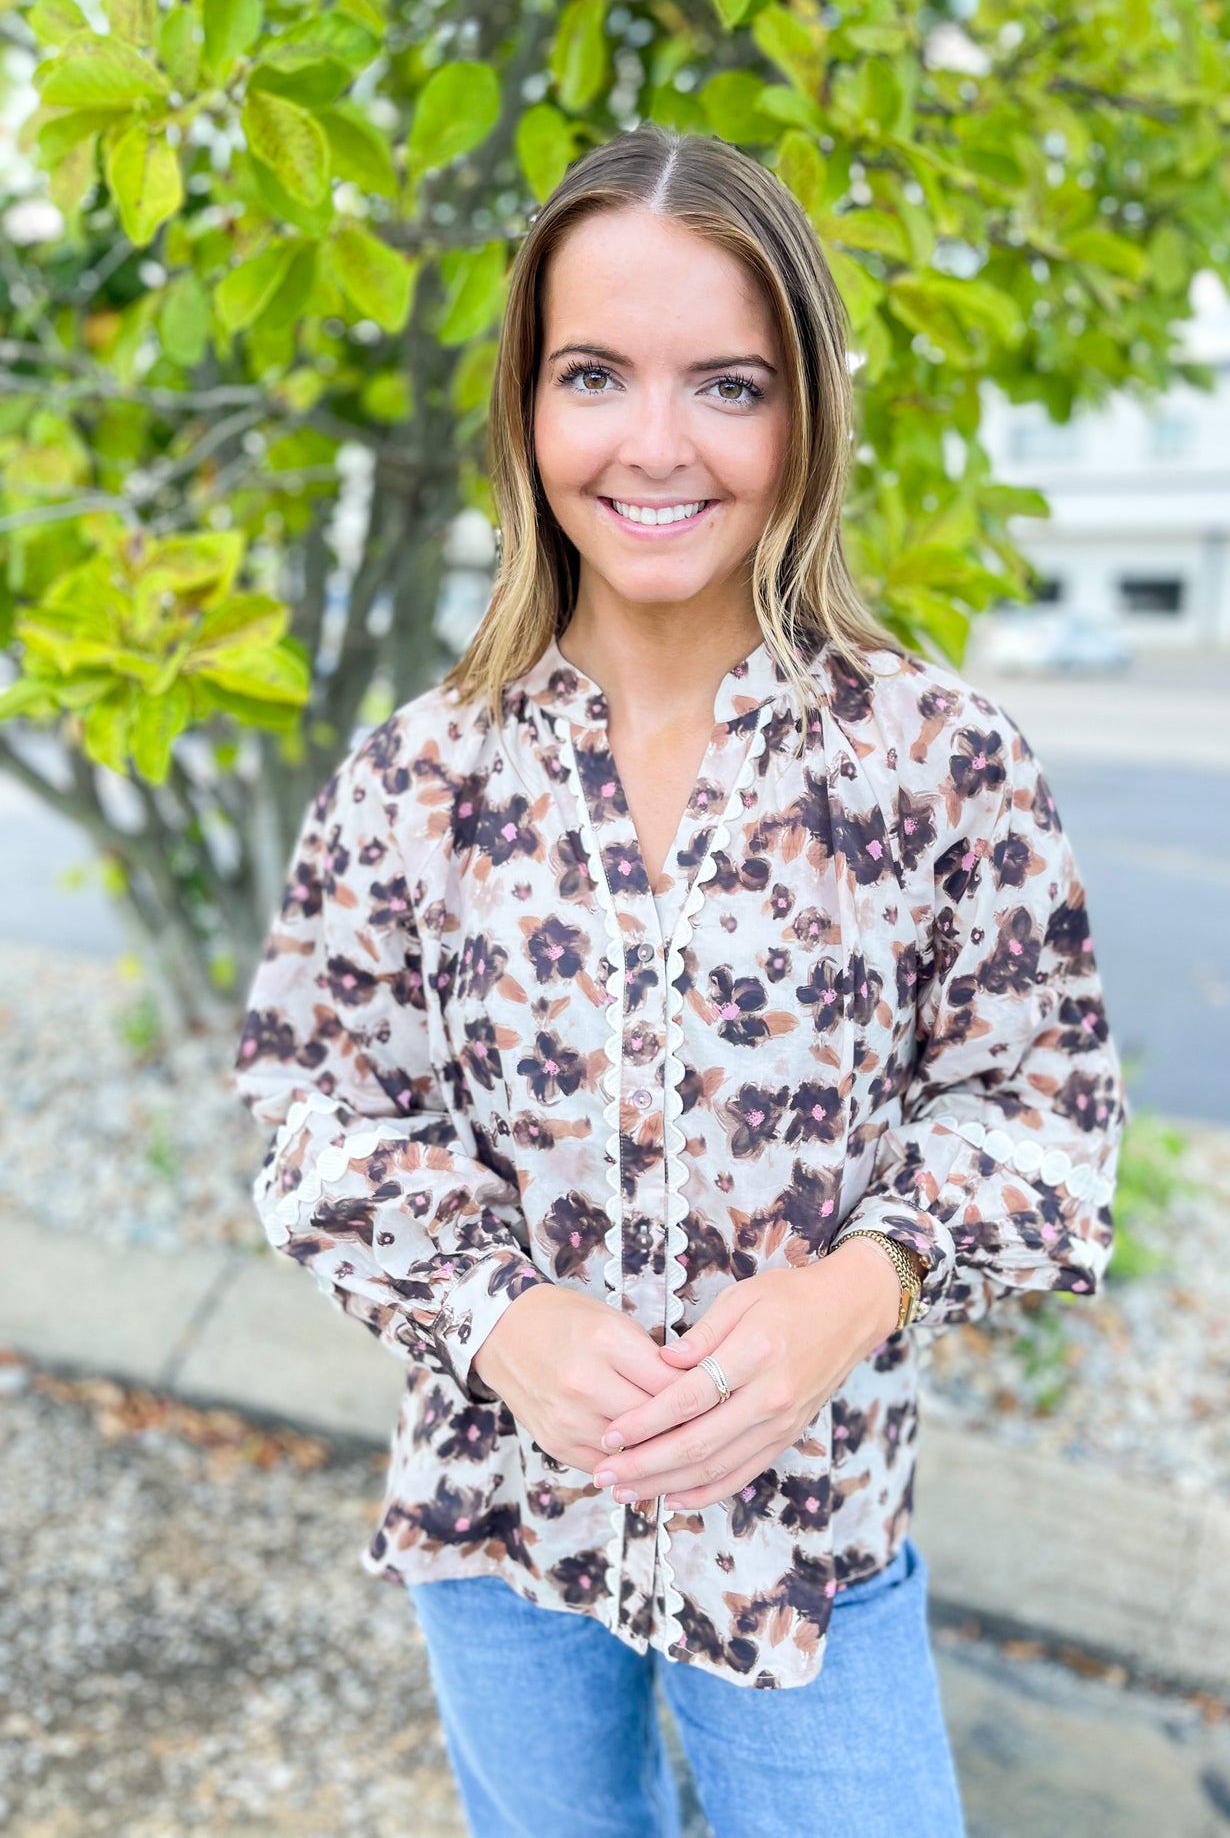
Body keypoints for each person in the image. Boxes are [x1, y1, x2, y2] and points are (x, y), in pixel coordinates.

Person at [233, 123, 1126, 1838]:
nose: (656, 446)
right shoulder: (417, 779)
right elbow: (312, 1116)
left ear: (806, 414)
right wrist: (505, 1317)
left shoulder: (935, 763)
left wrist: (852, 1294)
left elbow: (1046, 1119)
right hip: (501, 1528)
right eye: (594, 375)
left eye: (728, 384)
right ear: (525, 406)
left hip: (812, 1539)